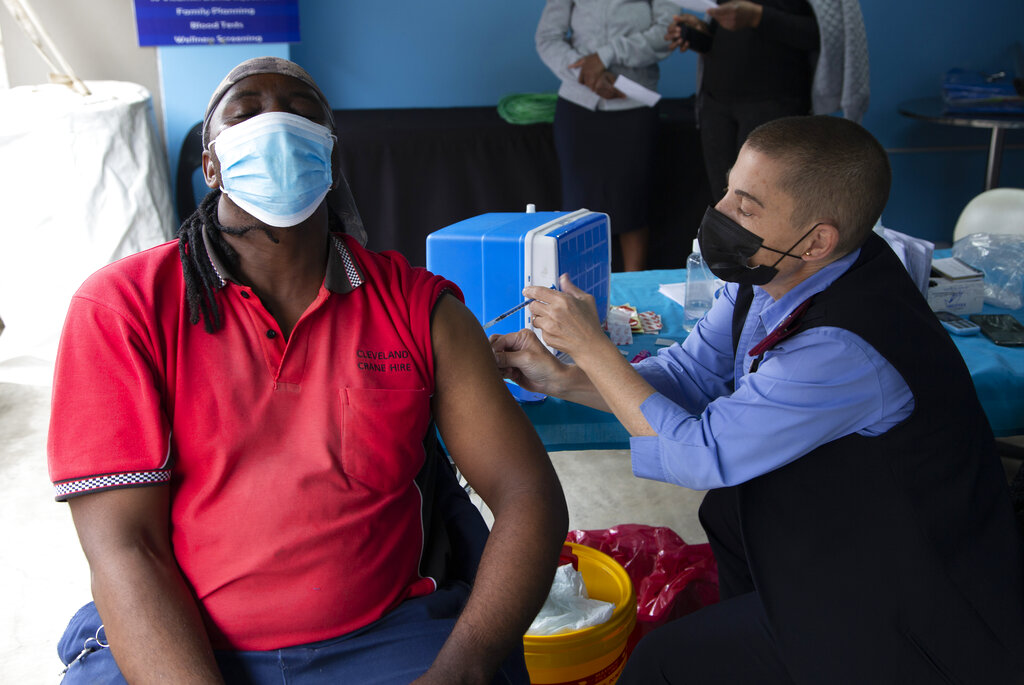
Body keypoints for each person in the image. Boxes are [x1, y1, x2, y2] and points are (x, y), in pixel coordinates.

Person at [48, 57, 568, 685]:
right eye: (245, 112)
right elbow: (127, 551)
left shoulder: (420, 310)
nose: (274, 124)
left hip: (389, 637)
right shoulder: (124, 308)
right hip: (182, 647)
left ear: (330, 157)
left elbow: (527, 494)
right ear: (211, 163)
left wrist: (464, 665)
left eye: (300, 112)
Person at [491, 115, 1024, 683]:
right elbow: (690, 375)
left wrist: (593, 346)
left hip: (902, 600)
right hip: (815, 544)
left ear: (818, 239)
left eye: (745, 207)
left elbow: (702, 453)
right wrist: (559, 377)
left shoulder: (844, 346)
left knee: (662, 666)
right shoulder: (772, 273)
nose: (719, 213)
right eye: (727, 189)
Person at [667, 0, 869, 204]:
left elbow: (825, 37)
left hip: (776, 105)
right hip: (715, 104)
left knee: (767, 206)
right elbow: (729, 35)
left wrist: (758, 17)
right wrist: (700, 33)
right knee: (724, 205)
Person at [536, 0, 677, 271]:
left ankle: (634, 292)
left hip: (634, 103)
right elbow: (547, 38)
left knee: (632, 206)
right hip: (578, 104)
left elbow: (667, 32)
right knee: (577, 208)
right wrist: (584, 73)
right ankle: (577, 290)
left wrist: (606, 55)